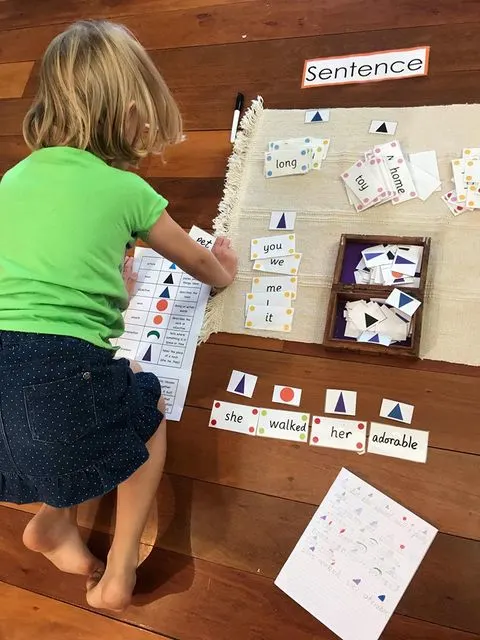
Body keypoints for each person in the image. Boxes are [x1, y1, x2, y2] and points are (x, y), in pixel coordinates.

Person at [0, 20, 237, 612]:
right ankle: (120, 570)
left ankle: (52, 527)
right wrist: (226, 267)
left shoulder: (12, 178)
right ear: (132, 111)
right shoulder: (125, 189)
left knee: (61, 434)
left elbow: (33, 272)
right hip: (56, 367)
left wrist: (108, 285)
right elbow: (200, 266)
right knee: (144, 414)